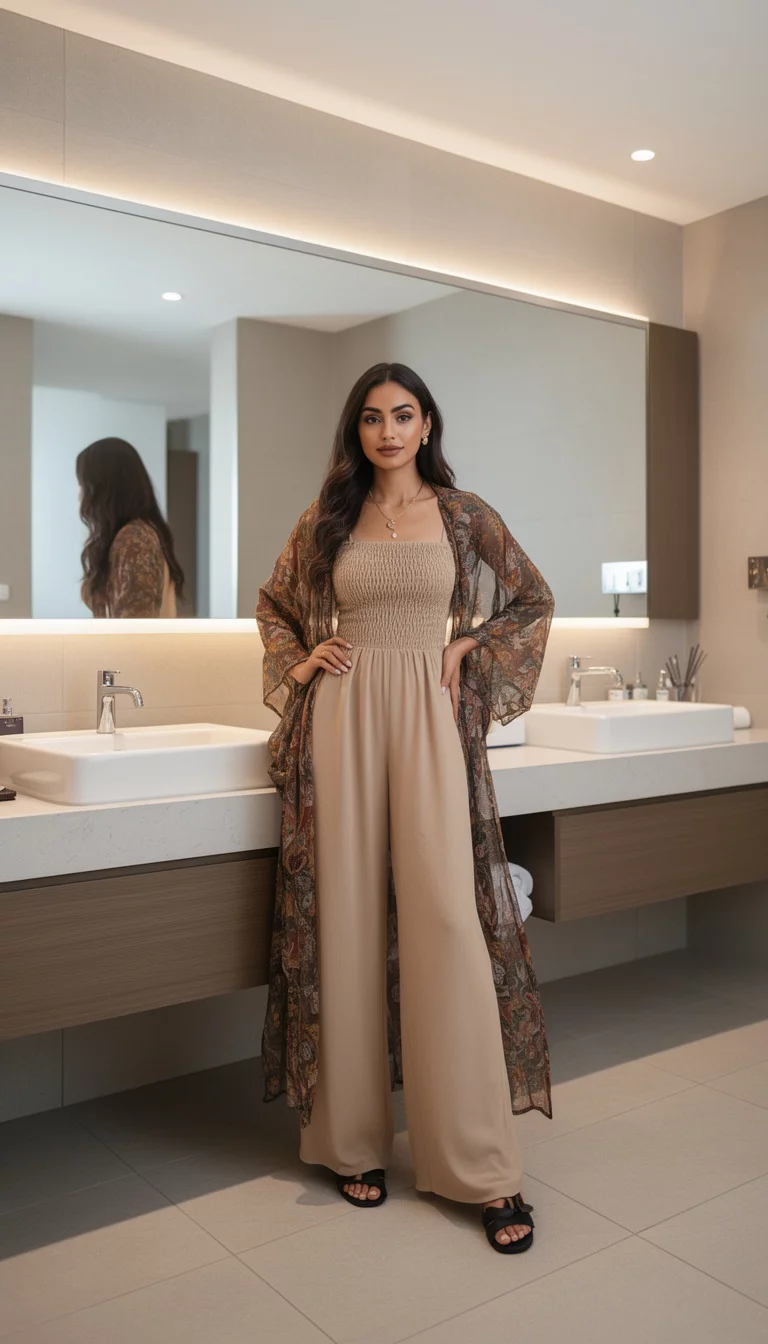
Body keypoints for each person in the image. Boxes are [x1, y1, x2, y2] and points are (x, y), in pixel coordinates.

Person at [256, 362, 555, 1254]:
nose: (387, 432)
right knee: (344, 920)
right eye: (372, 419)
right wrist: (303, 660)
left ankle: (479, 1164)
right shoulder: (330, 517)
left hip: (428, 720)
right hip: (342, 724)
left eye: (403, 416)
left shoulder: (465, 516)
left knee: (446, 924)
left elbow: (532, 600)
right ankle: (350, 1141)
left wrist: (467, 642)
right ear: (358, 431)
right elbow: (274, 606)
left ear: (427, 425)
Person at [77, 437, 184, 618]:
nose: (80, 495)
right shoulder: (134, 536)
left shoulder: (135, 540)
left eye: (84, 485)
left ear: (103, 489)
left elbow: (135, 631)